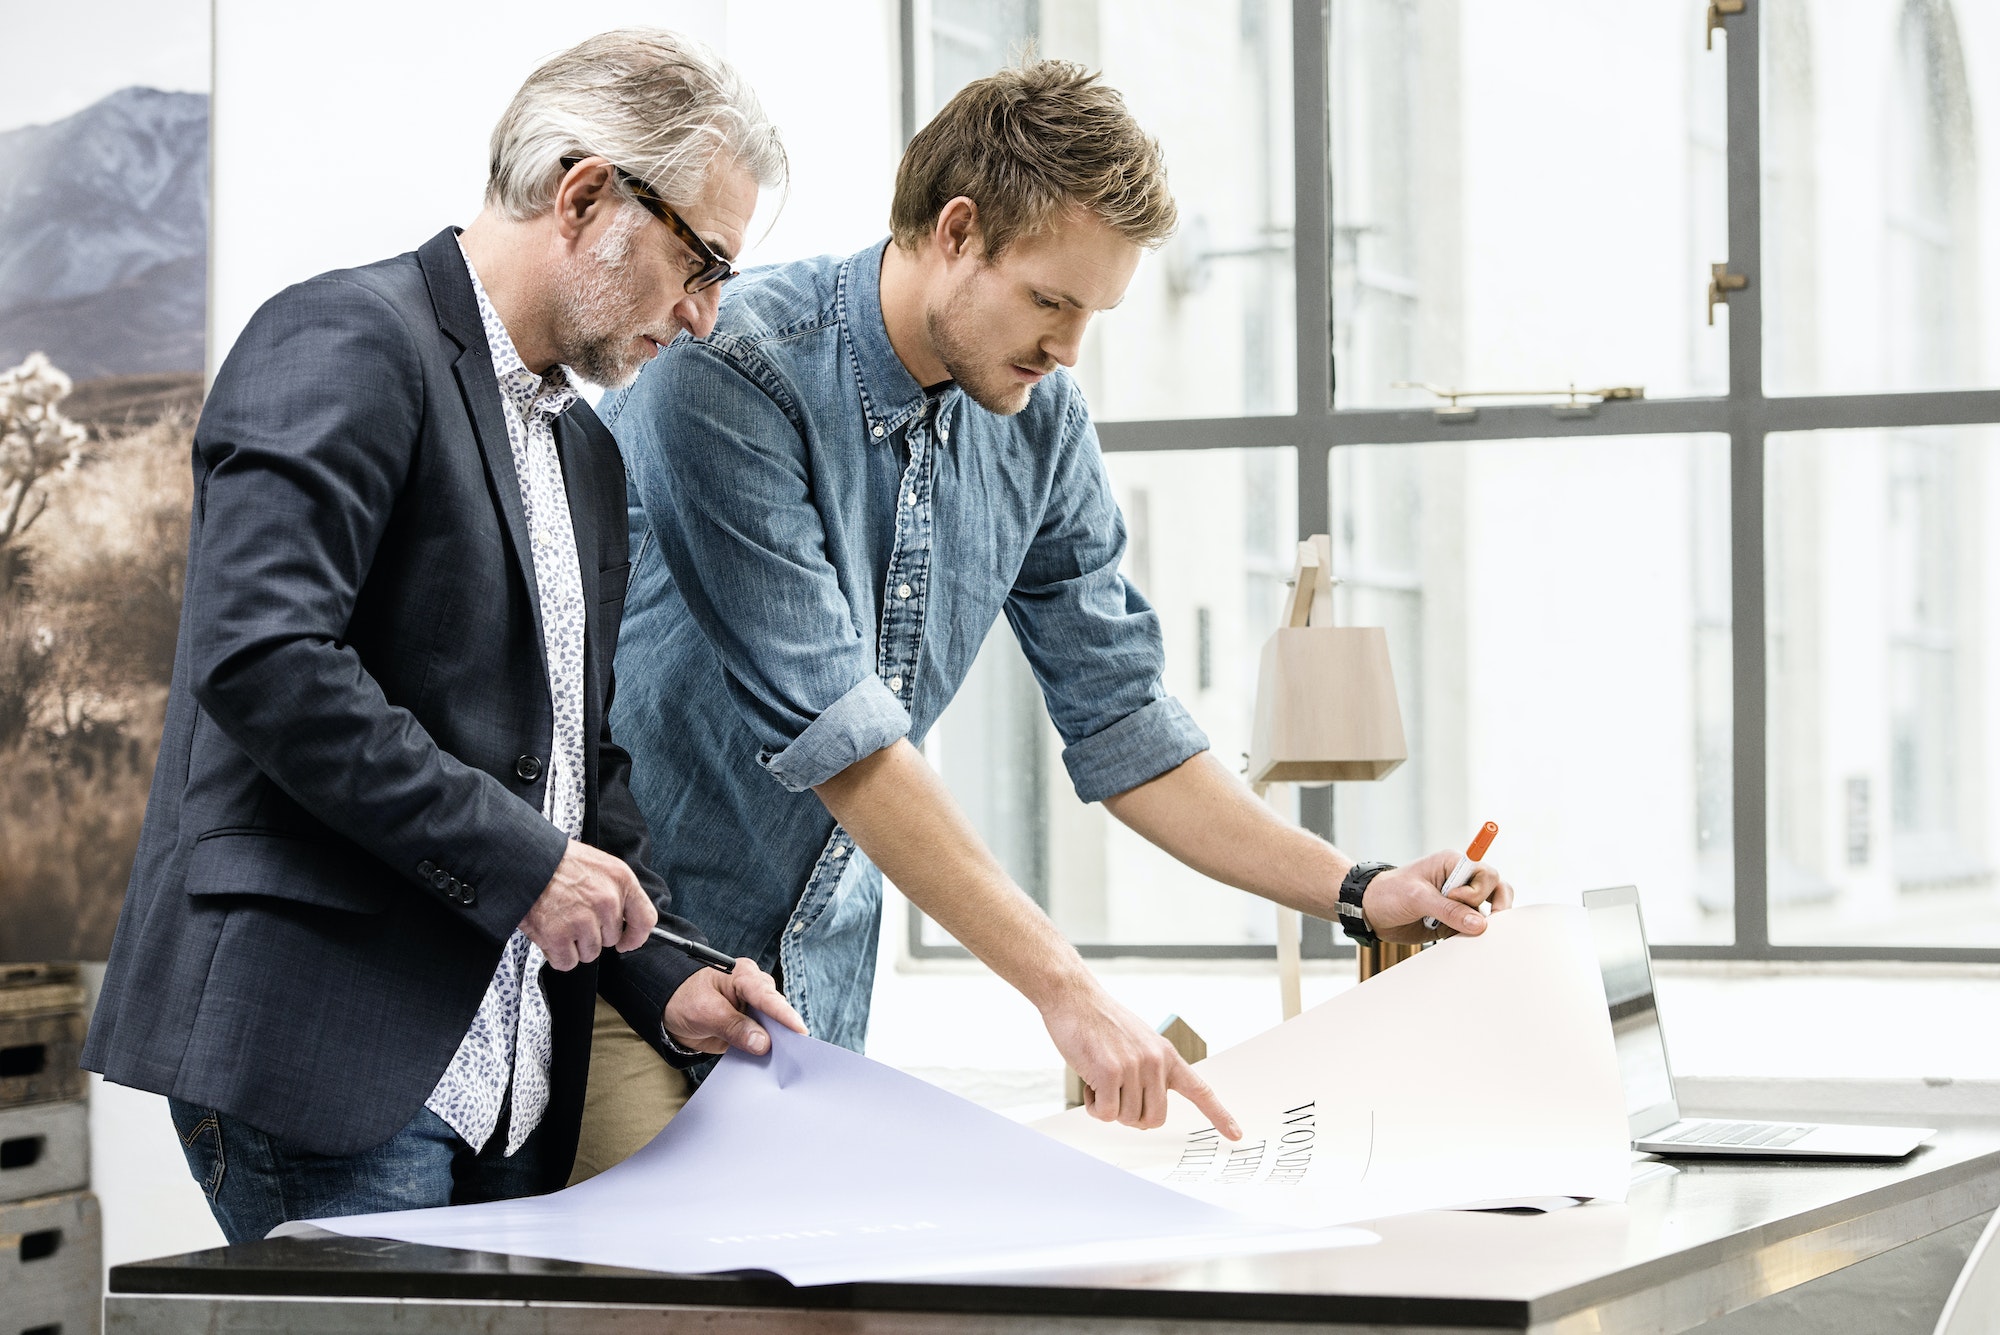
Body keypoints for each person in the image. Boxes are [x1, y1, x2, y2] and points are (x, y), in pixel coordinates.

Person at [584, 59, 1514, 1172]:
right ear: (958, 231)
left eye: (1093, 314)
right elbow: (841, 742)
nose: (1068, 349)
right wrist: (1065, 991)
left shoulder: (1038, 420)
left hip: (809, 1008)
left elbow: (1123, 725)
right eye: (1050, 301)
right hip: (636, 970)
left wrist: (1361, 891)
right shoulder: (729, 374)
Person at [79, 29, 801, 1244]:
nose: (703, 314)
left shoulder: (584, 452)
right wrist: (524, 866)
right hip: (326, 1053)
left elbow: (579, 766)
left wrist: (664, 976)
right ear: (584, 195)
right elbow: (263, 659)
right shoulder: (344, 339)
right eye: (702, 261)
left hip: (510, 1078)